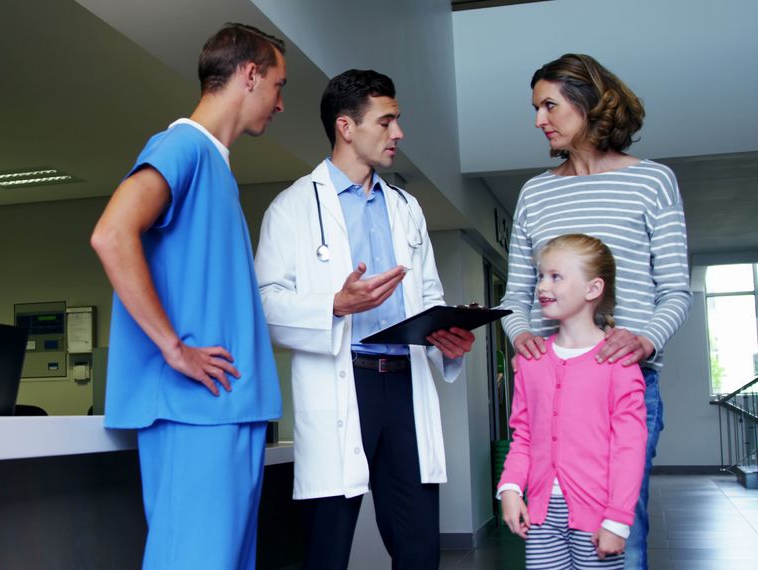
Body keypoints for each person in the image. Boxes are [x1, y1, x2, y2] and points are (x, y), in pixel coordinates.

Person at [255, 69, 475, 569]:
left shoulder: (406, 208)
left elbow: (430, 293)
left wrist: (446, 337)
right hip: (342, 383)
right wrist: (334, 305)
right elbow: (264, 308)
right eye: (387, 121)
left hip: (406, 386)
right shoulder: (291, 208)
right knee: (326, 549)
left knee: (419, 547)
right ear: (346, 127)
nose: (398, 133)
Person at [89, 23, 286, 570]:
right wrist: (174, 348)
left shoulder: (216, 167)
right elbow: (111, 234)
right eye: (278, 84)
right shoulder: (183, 147)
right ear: (249, 75)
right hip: (193, 410)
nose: (281, 103)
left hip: (225, 408)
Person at [500, 53, 691, 570]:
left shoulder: (652, 182)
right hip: (549, 385)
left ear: (589, 103)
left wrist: (646, 339)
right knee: (547, 529)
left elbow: (676, 290)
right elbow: (514, 297)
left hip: (620, 382)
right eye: (536, 107)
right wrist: (521, 336)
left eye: (550, 105)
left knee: (621, 533)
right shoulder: (534, 193)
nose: (539, 119)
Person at [498, 234, 648, 569]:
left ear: (593, 289)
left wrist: (618, 520)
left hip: (599, 516)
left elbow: (629, 447)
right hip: (540, 515)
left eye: (555, 277)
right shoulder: (530, 362)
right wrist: (510, 488)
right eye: (540, 276)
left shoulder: (619, 365)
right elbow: (523, 435)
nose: (541, 286)